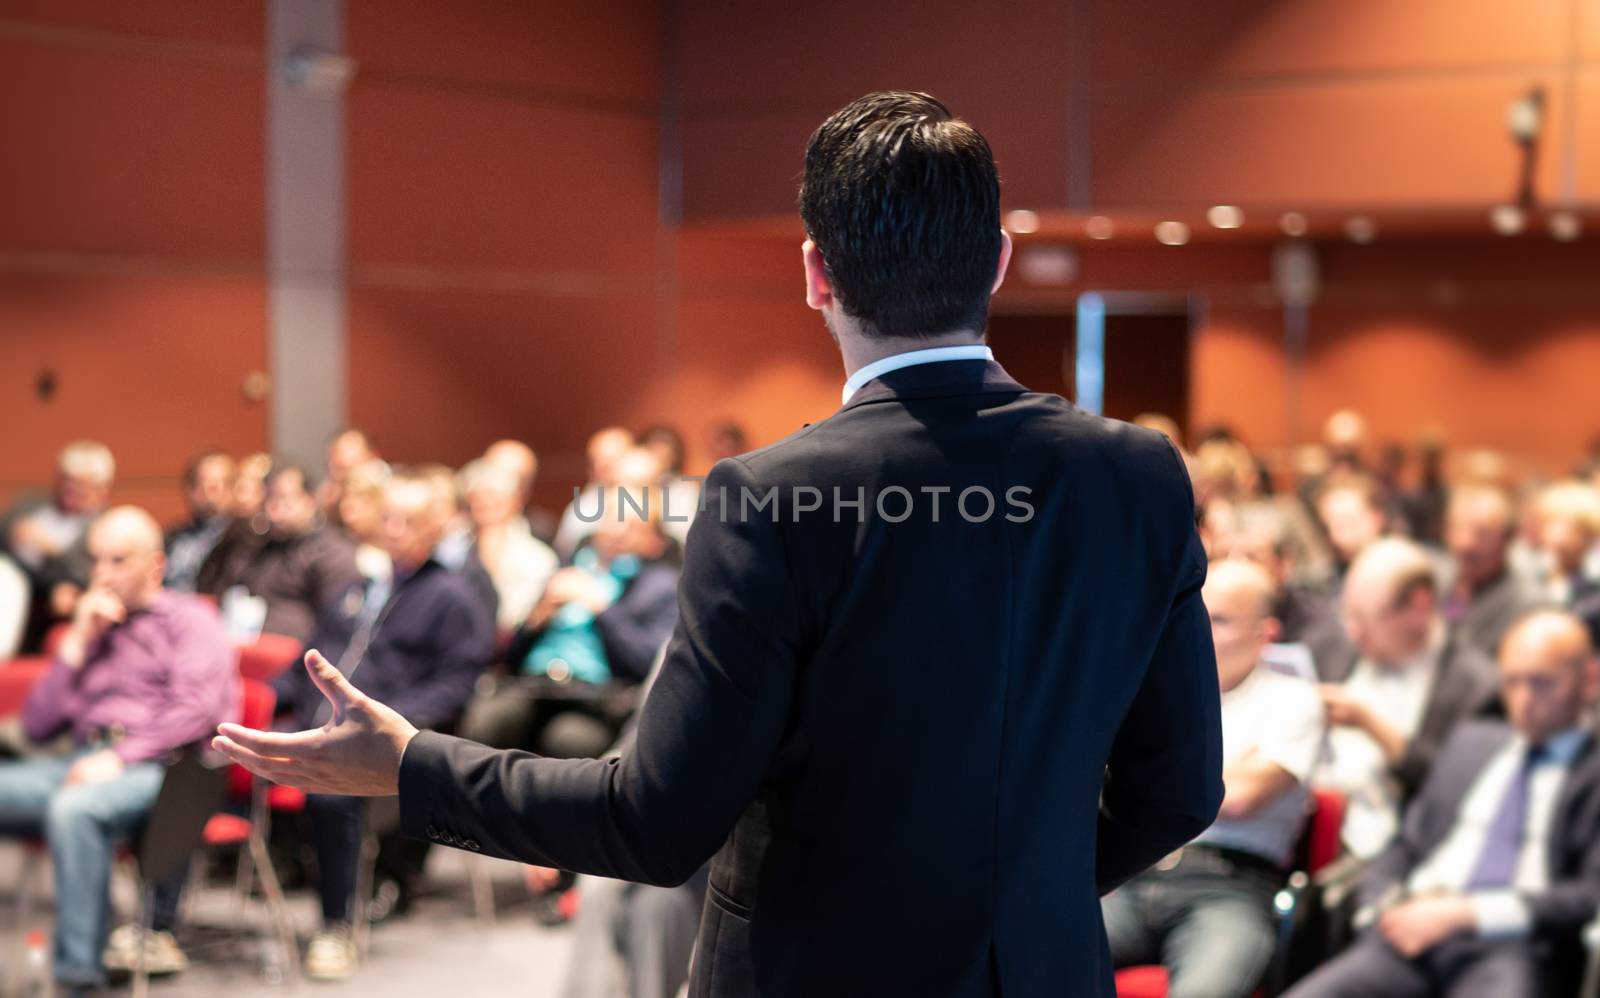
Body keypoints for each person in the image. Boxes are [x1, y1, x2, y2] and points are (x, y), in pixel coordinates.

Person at [213, 90, 1224, 997]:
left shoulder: (769, 495)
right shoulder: (1136, 473)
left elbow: (658, 819)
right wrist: (1013, 894)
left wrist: (412, 764)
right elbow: (1176, 788)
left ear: (814, 273)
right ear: (997, 259)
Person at [1285, 609, 1600, 998]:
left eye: (1541, 683)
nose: (1523, 700)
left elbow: (1587, 893)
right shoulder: (1472, 744)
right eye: (1512, 683)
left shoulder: (1592, 770)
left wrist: (1464, 914)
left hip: (1512, 951)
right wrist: (1378, 910)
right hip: (1408, 938)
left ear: (1589, 680)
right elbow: (1407, 844)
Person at [270, 469, 496, 979]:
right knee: (208, 757)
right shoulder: (361, 586)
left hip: (391, 744)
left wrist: (389, 723)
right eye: (388, 517)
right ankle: (163, 924)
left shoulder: (452, 597)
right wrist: (265, 699)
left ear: (436, 525)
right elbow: (308, 659)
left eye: (409, 520)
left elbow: (457, 685)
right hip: (318, 728)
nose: (394, 528)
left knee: (330, 791)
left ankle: (336, 925)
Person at [0, 507, 237, 994]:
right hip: (84, 762)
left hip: (163, 770)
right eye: (96, 561)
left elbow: (197, 708)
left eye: (117, 560)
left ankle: (78, 979)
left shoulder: (191, 620)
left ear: (154, 565)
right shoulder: (94, 629)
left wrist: (121, 756)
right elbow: (40, 726)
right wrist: (80, 640)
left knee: (74, 810)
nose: (102, 574)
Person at [1104, 559, 1324, 998]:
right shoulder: (1153, 688)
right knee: (1030, 957)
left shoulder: (1293, 700)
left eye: (1219, 619)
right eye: (1195, 611)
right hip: (1131, 873)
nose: (1199, 629)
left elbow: (1238, 798)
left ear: (1266, 634)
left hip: (1230, 887)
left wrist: (1145, 770)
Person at [461, 447, 680, 760]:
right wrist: (540, 616)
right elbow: (513, 653)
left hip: (594, 696)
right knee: (488, 722)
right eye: (611, 519)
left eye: (630, 524)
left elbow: (645, 662)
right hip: (535, 683)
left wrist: (602, 609)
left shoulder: (659, 586)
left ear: (652, 537)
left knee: (568, 740)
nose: (616, 531)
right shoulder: (570, 564)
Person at [1313, 538, 1500, 859]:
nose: (1354, 632)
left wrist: (1370, 724)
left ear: (1419, 606)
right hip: (1310, 828)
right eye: (1348, 615)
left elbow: (1455, 791)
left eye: (1366, 617)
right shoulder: (1334, 650)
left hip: (1398, 849)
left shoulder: (1475, 684)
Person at [197, 462, 361, 642]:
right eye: (268, 501)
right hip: (246, 647)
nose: (273, 511)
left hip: (301, 658)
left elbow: (340, 624)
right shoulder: (259, 545)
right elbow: (226, 590)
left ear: (309, 500)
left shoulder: (332, 552)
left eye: (283, 500)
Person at [0, 441, 115, 652]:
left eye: (80, 485)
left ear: (102, 490)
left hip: (49, 596)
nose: (70, 489)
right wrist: (15, 532)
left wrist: (52, 550)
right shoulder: (31, 502)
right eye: (66, 480)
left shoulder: (106, 526)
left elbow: (87, 571)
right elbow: (5, 527)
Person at [1439, 485, 1543, 661]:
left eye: (1482, 534)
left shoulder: (1531, 605)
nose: (1464, 543)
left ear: (1508, 539)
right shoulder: (1437, 583)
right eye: (1456, 528)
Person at [458, 458, 558, 635]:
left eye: (495, 499)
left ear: (515, 502)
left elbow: (512, 620)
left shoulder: (538, 557)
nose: (485, 505)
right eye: (477, 498)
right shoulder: (452, 546)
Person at [552, 426, 635, 561]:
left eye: (612, 460)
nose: (602, 466)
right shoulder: (580, 509)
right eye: (596, 460)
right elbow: (564, 555)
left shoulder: (656, 501)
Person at [164, 450, 237, 592]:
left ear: (233, 488)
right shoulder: (173, 535)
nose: (208, 493)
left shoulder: (245, 538)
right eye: (199, 484)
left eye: (216, 486)